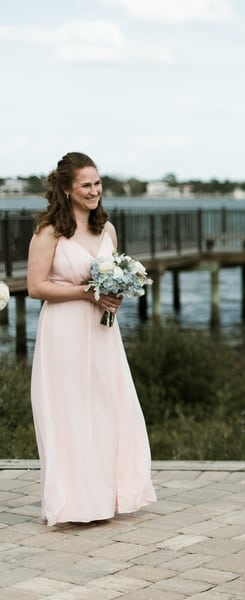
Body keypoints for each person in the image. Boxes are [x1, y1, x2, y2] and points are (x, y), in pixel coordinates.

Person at [27, 151, 156, 526]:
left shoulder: (107, 230)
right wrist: (87, 293)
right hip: (64, 331)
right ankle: (74, 502)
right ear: (67, 189)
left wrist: (114, 294)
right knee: (69, 411)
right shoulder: (49, 231)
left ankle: (105, 495)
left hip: (102, 333)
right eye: (86, 185)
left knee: (106, 408)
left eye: (98, 183)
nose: (94, 190)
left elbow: (108, 281)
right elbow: (36, 287)